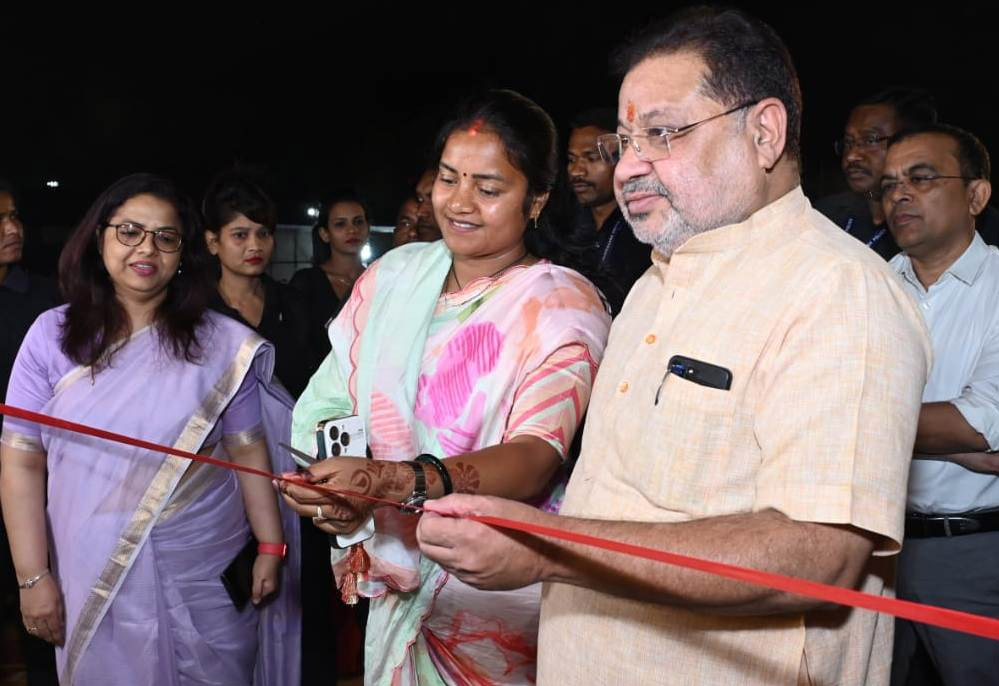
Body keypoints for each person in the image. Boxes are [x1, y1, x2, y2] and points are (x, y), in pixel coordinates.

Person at [414, 9, 930, 686]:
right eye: (626, 141)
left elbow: (816, 555)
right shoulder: (652, 288)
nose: (629, 167)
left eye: (661, 134)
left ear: (764, 132)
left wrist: (550, 549)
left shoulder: (837, 291)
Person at [279, 89, 611, 685]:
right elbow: (330, 398)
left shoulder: (562, 304)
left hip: (492, 597)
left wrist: (391, 481)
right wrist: (337, 492)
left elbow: (536, 456)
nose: (458, 203)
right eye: (449, 178)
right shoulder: (394, 276)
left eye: (488, 188)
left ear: (536, 199)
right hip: (399, 582)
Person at [0, 173, 300, 686]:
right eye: (129, 231)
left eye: (165, 237)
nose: (147, 248)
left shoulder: (221, 345)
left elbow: (248, 452)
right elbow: (21, 462)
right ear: (99, 239)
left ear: (183, 253)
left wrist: (271, 546)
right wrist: (32, 577)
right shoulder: (52, 337)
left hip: (204, 568)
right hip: (92, 567)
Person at [880, 124, 999, 685]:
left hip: (975, 555)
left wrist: (859, 421)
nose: (899, 194)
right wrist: (948, 446)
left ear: (976, 195)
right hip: (874, 550)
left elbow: (982, 421)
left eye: (922, 178)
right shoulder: (867, 286)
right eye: (889, 184)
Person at [0, 179, 60, 686]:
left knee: (43, 609)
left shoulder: (46, 301)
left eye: (14, 215)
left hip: (33, 479)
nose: (12, 228)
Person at [203, 171, 312, 397]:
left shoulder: (292, 304)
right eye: (240, 235)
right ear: (213, 242)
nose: (255, 246)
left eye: (264, 233)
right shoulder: (197, 312)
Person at [567, 108, 650, 313]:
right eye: (571, 160)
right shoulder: (563, 226)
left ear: (621, 159)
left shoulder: (644, 230)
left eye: (591, 158)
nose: (577, 171)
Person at [289, 192, 370, 369]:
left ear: (368, 229)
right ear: (325, 234)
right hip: (320, 380)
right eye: (340, 224)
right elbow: (299, 348)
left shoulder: (378, 278)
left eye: (358, 222)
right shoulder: (307, 282)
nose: (352, 230)